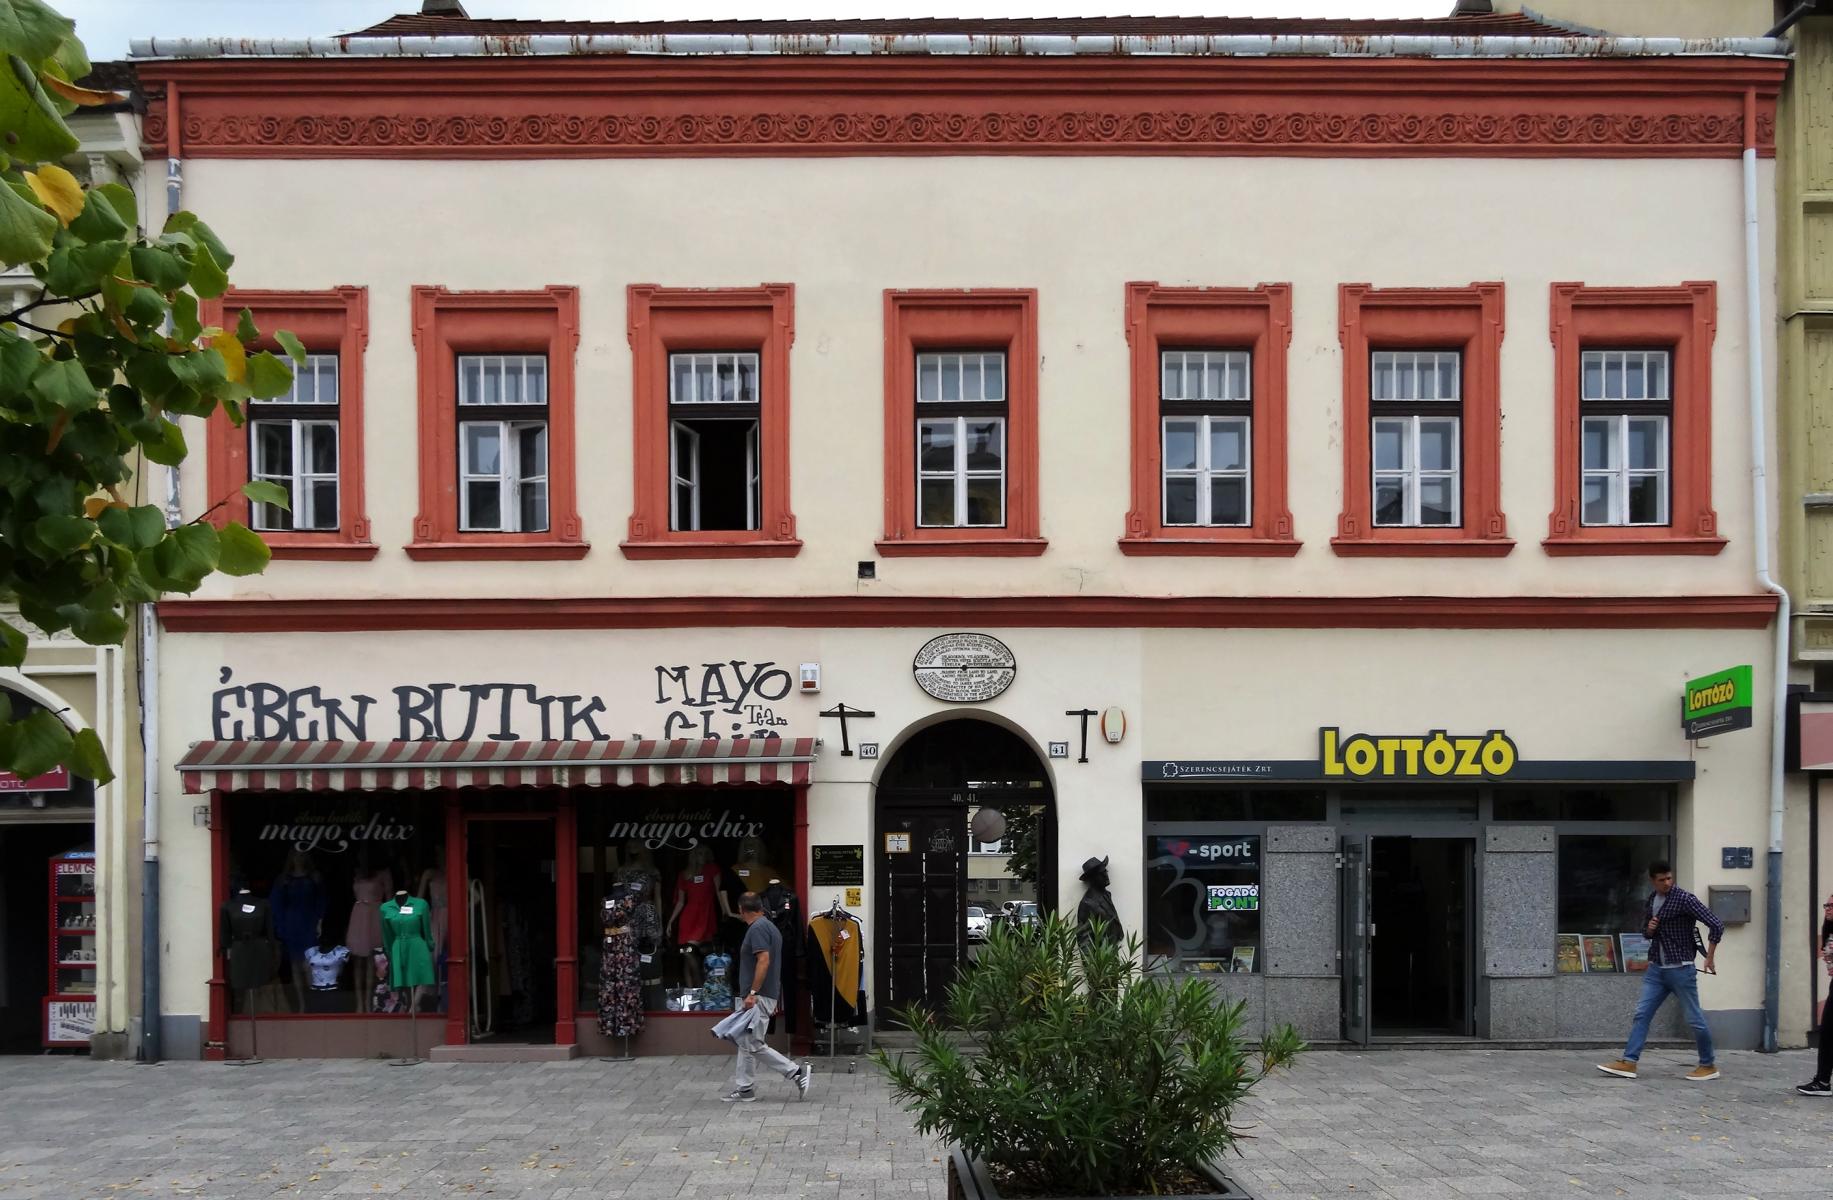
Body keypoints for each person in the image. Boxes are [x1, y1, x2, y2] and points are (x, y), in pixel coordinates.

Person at [1597, 860, 1724, 1082]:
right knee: (1642, 1014)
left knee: (1694, 1018)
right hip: (1657, 969)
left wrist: (1709, 957)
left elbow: (1716, 924)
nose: (1667, 883)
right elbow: (1646, 932)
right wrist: (1650, 929)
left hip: (1681, 969)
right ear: (1652, 881)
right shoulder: (1652, 899)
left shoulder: (1684, 898)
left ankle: (1708, 1064)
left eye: (1669, 878)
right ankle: (1629, 1062)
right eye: (1662, 880)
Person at [721, 891, 812, 1103]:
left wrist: (753, 993)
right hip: (765, 994)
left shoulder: (758, 929)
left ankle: (796, 1073)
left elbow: (763, 961)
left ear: (742, 910)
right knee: (745, 1042)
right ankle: (745, 1089)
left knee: (753, 1044)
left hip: (759, 996)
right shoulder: (769, 926)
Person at [1794, 890, 1833, 1097]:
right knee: (1827, 1033)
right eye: (1826, 906)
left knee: (1828, 1032)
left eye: (1831, 906)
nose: (1827, 909)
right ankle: (1823, 1081)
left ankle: (1823, 1081)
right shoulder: (1829, 928)